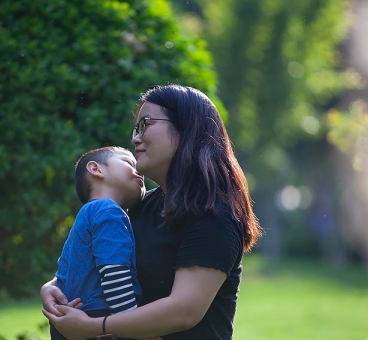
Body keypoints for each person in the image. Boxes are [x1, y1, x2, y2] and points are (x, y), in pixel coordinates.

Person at [41, 84, 262, 340]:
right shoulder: (139, 208)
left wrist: (95, 327)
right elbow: (101, 260)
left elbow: (184, 311)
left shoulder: (214, 213)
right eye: (135, 129)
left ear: (186, 127)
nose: (135, 138)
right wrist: (52, 288)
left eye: (145, 124)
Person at [49, 146, 146, 340]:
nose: (140, 171)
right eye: (129, 163)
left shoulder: (88, 214)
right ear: (96, 169)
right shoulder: (107, 210)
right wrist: (136, 330)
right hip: (100, 322)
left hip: (71, 321)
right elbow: (113, 273)